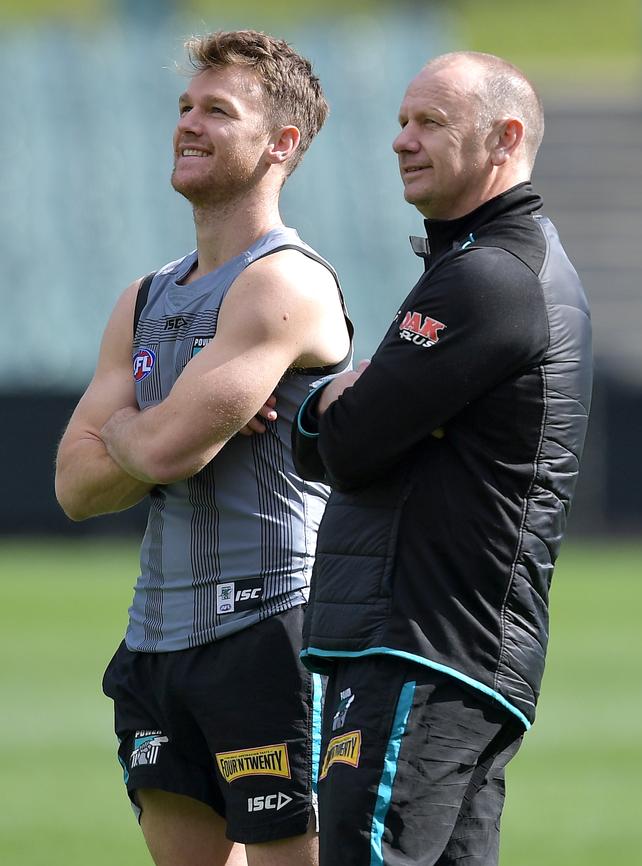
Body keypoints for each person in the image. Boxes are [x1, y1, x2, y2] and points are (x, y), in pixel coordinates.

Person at [55, 29, 352, 866]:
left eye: (218, 110)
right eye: (186, 106)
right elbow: (76, 487)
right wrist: (149, 431)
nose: (188, 123)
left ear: (280, 144)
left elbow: (164, 453)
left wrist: (135, 428)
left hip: (270, 628)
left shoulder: (284, 281)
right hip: (154, 640)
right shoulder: (143, 297)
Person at [291, 51, 592, 866]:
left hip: (423, 645)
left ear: (505, 138)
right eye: (400, 121)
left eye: (430, 122)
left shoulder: (491, 278)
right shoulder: (488, 265)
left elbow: (344, 446)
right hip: (450, 651)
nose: (401, 141)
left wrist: (314, 408)